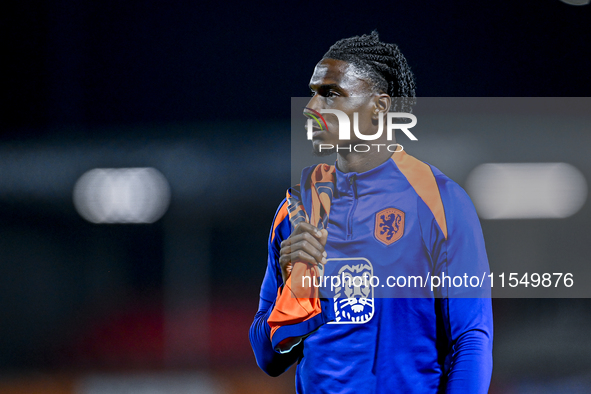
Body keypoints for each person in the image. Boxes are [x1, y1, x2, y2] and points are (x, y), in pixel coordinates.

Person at [249, 31, 493, 393]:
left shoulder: (440, 202)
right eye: (313, 91)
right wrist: (292, 286)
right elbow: (267, 358)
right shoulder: (297, 210)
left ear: (379, 106)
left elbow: (471, 340)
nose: (311, 106)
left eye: (331, 93)